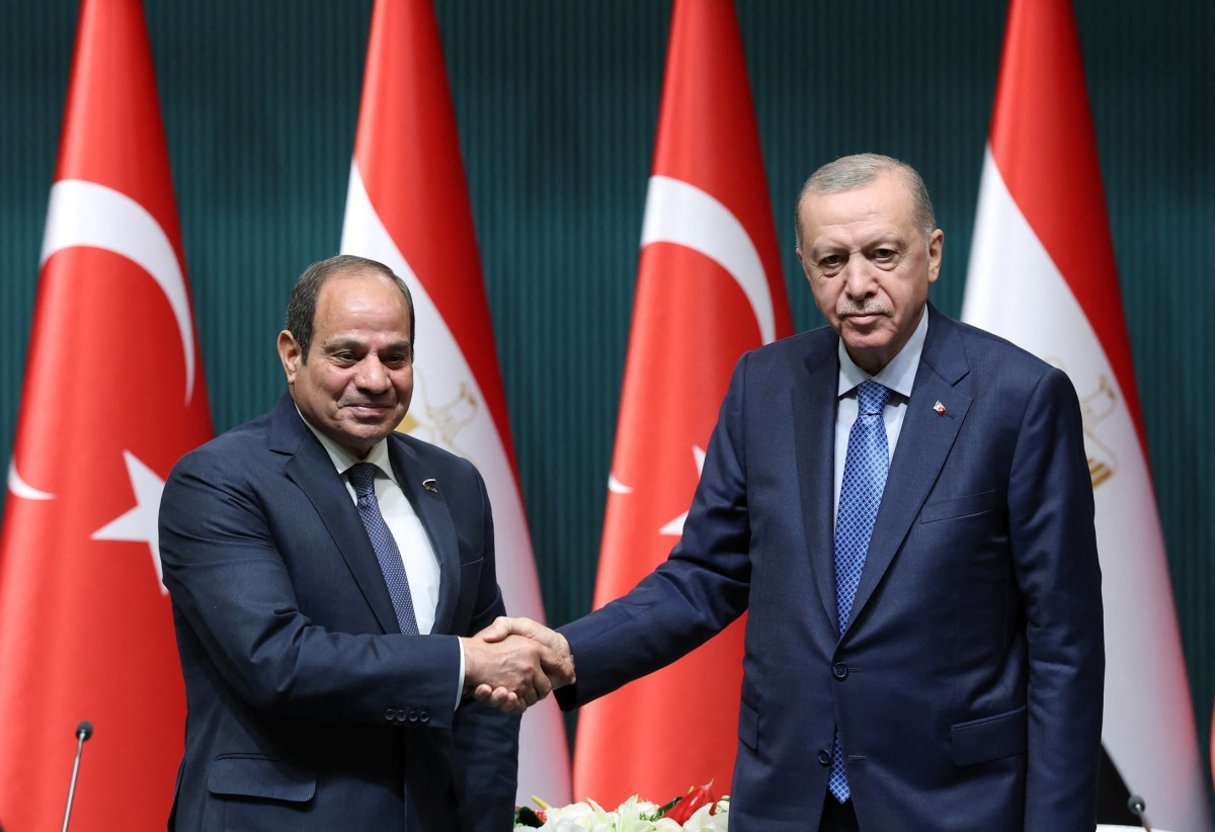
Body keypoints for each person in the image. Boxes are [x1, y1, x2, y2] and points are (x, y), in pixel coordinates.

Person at [484, 154, 1105, 831]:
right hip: (789, 802)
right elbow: (705, 575)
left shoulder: (1017, 398)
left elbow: (1063, 640)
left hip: (953, 803)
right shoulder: (764, 385)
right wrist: (572, 652)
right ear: (805, 267)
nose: (858, 284)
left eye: (882, 254)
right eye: (831, 261)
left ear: (931, 255)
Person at [159, 254, 571, 832]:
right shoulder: (219, 479)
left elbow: (490, 687)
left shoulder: (455, 483)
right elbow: (277, 660)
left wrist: (485, 821)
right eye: (347, 354)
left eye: (395, 357)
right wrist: (462, 661)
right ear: (293, 354)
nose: (376, 380)